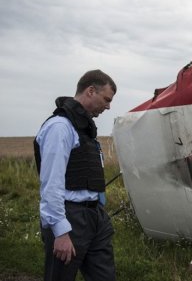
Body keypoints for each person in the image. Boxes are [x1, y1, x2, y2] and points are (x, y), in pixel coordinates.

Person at [34, 69, 117, 281]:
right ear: (90, 91)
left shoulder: (85, 129)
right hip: (70, 218)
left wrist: (99, 212)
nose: (108, 106)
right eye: (106, 99)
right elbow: (51, 184)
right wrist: (60, 232)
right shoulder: (60, 127)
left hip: (94, 217)